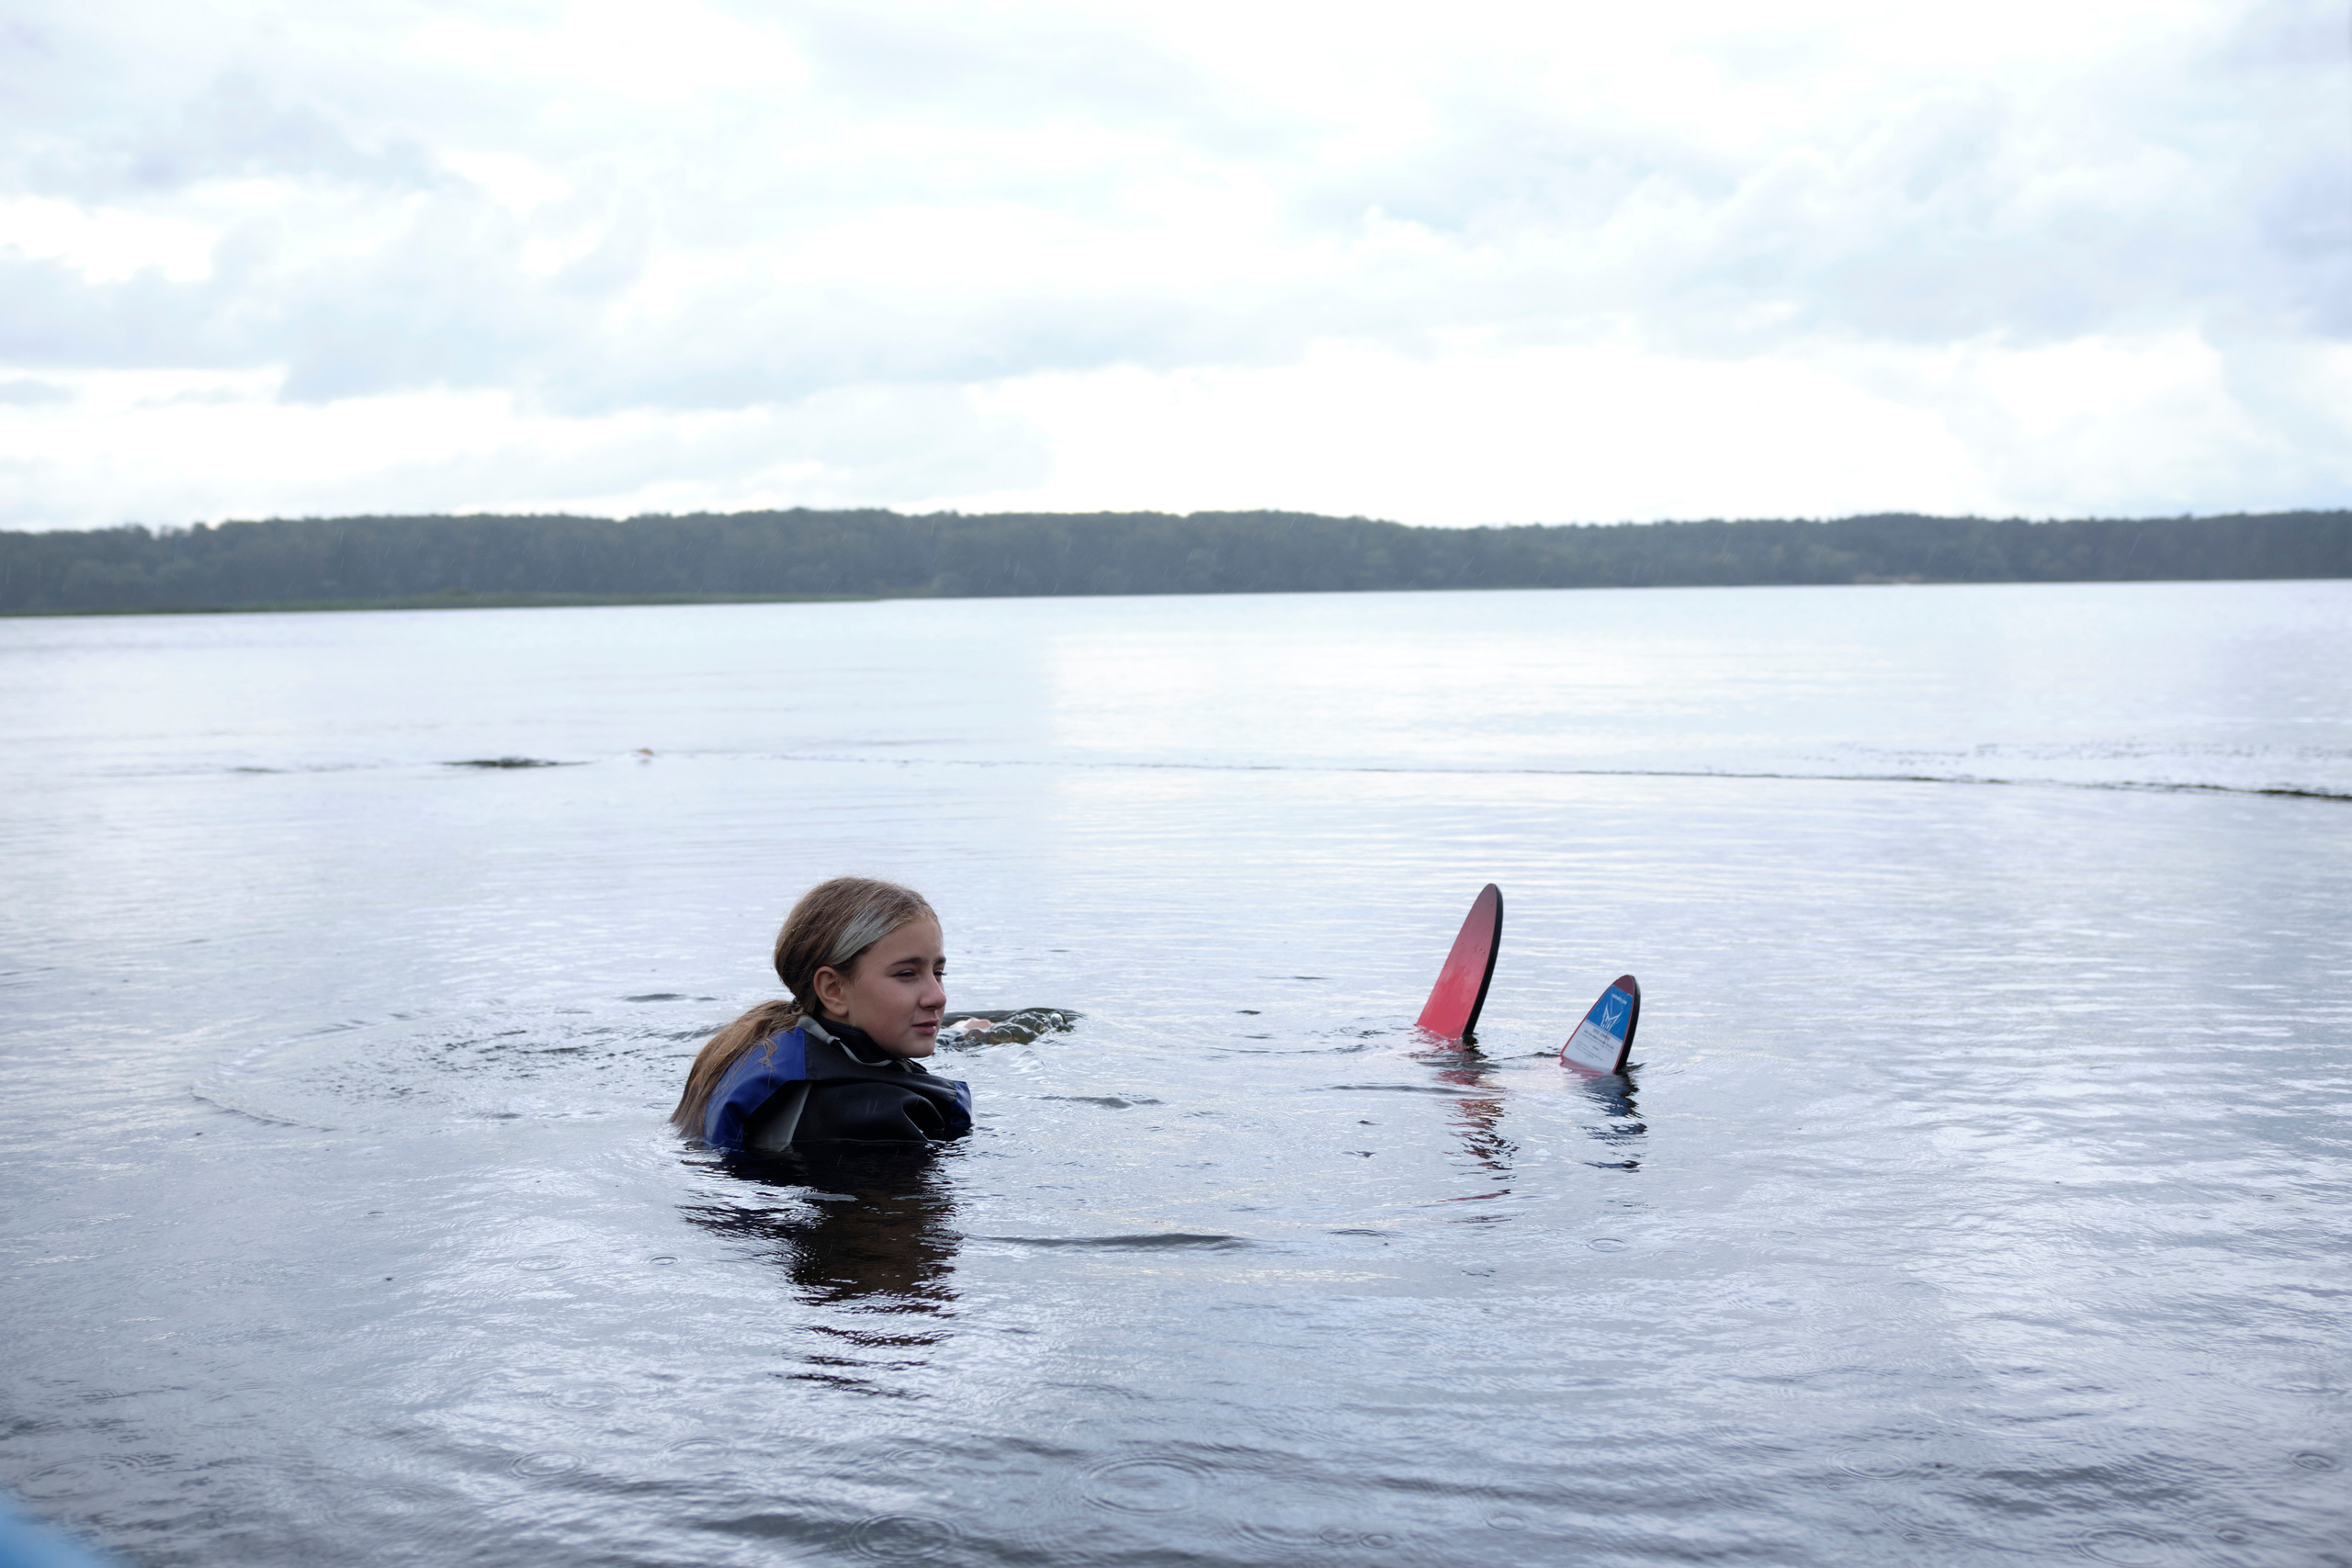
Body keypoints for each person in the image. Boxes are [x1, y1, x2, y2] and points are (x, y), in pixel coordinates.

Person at [672, 877, 973, 1153]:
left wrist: (958, 1034)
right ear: (834, 990)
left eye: (938, 972)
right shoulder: (872, 1119)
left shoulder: (765, 1042)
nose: (938, 996)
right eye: (906, 974)